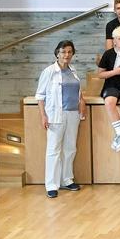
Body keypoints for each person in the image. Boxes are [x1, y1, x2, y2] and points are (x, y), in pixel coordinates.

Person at [36, 40, 86, 198]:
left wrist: (81, 103)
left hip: (73, 114)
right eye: (63, 52)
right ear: (57, 53)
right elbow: (40, 96)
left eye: (70, 52)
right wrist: (43, 116)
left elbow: (77, 92)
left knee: (70, 148)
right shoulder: (49, 71)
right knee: (53, 150)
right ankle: (51, 185)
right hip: (55, 115)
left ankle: (67, 179)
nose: (67, 55)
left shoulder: (73, 70)